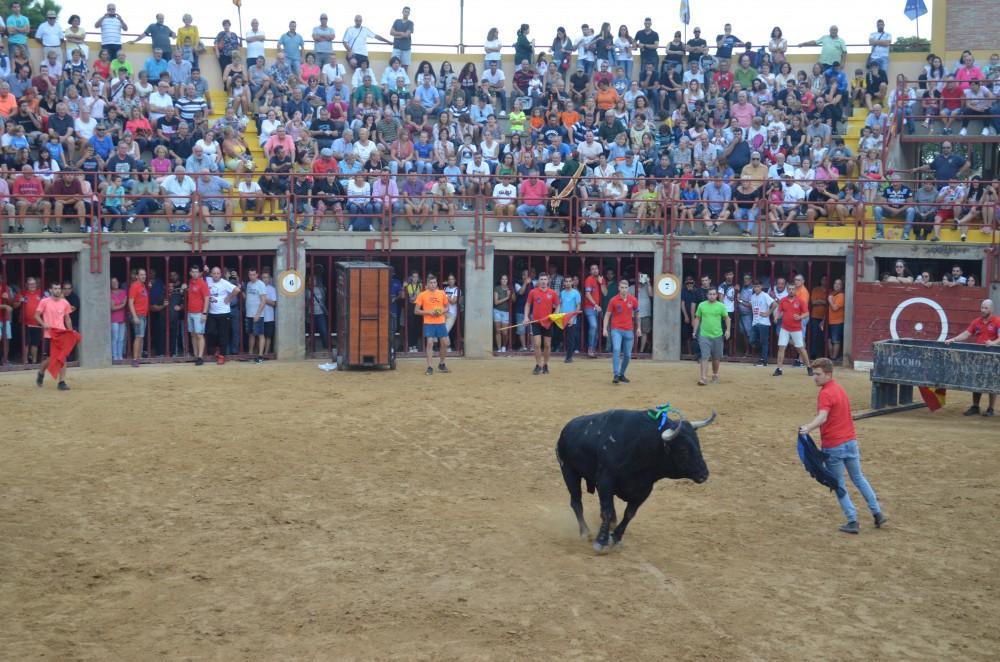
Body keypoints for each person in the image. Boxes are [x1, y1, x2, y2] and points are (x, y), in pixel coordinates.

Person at [799, 358, 887, 534]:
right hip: (850, 442)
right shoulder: (839, 389)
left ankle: (852, 519)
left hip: (834, 446)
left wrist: (807, 428)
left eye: (818, 374)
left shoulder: (825, 393)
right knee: (859, 478)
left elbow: (823, 417)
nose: (814, 378)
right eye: (814, 374)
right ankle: (877, 512)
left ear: (828, 374)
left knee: (838, 483)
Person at [944, 300, 1000, 416]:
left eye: (985, 308)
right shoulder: (976, 322)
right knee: (976, 379)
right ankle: (975, 406)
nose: (983, 310)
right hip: (978, 355)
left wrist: (994, 343)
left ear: (991, 309)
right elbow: (966, 334)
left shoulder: (997, 321)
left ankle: (990, 408)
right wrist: (953, 339)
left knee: (991, 380)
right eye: (982, 307)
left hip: (992, 356)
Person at [33, 281, 74, 391]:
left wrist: (70, 332)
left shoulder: (65, 303)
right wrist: (43, 324)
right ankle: (41, 372)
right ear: (51, 290)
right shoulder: (44, 301)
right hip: (49, 335)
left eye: (58, 288)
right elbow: (36, 315)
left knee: (63, 358)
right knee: (49, 359)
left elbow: (67, 318)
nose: (57, 290)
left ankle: (62, 382)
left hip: (61, 334)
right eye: (55, 288)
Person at [603, 279, 640, 384]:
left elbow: (637, 314)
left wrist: (638, 328)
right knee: (616, 349)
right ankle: (616, 374)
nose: (623, 290)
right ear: (619, 288)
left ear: (628, 288)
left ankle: (621, 374)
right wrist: (605, 328)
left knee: (628, 355)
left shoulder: (633, 300)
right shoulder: (613, 300)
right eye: (622, 288)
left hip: (629, 330)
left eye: (625, 288)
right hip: (616, 329)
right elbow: (607, 315)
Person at [773, 281, 812, 376]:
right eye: (789, 289)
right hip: (785, 328)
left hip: (796, 329)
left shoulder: (800, 301)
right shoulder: (783, 300)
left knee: (801, 349)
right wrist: (776, 316)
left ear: (795, 290)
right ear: (787, 290)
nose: (791, 291)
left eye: (793, 289)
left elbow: (807, 313)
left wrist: (800, 317)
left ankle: (809, 367)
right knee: (781, 347)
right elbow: (779, 311)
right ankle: (779, 368)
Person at [692, 286, 729, 386]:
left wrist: (728, 330)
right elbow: (697, 318)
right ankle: (703, 378)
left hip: (717, 335)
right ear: (707, 295)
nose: (712, 296)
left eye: (713, 294)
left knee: (716, 358)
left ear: (716, 295)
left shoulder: (721, 306)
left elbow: (727, 318)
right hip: (704, 335)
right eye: (710, 294)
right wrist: (695, 330)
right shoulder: (701, 305)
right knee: (705, 356)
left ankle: (715, 374)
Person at [415, 274, 450, 375]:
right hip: (429, 322)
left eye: (434, 282)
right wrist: (428, 312)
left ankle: (442, 363)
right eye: (431, 283)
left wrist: (442, 311)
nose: (433, 284)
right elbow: (416, 311)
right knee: (430, 342)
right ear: (427, 284)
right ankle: (429, 367)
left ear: (437, 283)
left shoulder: (442, 293)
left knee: (444, 342)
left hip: (440, 322)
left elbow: (447, 307)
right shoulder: (422, 295)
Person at [524, 273, 559, 375]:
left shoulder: (552, 293)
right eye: (541, 279)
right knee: (537, 344)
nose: (543, 281)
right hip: (536, 322)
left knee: (547, 345)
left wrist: (555, 314)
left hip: (548, 322)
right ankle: (538, 365)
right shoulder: (533, 292)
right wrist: (526, 317)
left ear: (548, 281)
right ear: (538, 281)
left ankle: (546, 364)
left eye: (545, 279)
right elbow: (528, 304)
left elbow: (557, 305)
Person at [204, 265, 240, 364]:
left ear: (221, 274)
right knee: (210, 332)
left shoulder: (224, 283)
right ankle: (217, 349)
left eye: (218, 273)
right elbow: (203, 276)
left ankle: (222, 355)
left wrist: (229, 298)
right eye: (214, 273)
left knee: (223, 335)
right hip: (212, 313)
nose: (216, 275)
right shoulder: (208, 280)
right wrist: (205, 271)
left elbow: (237, 290)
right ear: (211, 274)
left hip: (224, 313)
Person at [184, 264, 209, 365]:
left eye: (196, 272)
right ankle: (195, 355)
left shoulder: (202, 283)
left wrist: (204, 313)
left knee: (199, 334)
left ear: (199, 273)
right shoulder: (190, 282)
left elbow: (207, 298)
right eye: (193, 272)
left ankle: (200, 357)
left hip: (199, 313)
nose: (194, 274)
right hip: (190, 312)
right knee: (193, 334)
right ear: (190, 273)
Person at [749, 280, 776, 367]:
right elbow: (751, 306)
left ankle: (764, 360)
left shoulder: (765, 295)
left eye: (758, 286)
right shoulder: (752, 296)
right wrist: (740, 301)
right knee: (752, 340)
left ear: (761, 286)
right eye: (754, 286)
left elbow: (774, 304)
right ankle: (762, 358)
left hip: (764, 322)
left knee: (763, 342)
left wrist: (768, 313)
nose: (756, 288)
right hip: (755, 322)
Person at [244, 268, 268, 364]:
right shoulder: (249, 284)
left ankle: (260, 355)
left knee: (260, 334)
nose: (252, 276)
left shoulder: (261, 284)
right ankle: (250, 353)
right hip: (249, 314)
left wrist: (258, 314)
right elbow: (248, 297)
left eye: (254, 274)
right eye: (250, 274)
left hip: (258, 314)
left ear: (257, 274)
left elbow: (264, 300)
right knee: (251, 334)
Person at [127, 268, 149, 367]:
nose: (143, 276)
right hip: (138, 315)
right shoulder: (135, 286)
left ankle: (138, 358)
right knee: (138, 337)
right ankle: (135, 359)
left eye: (144, 274)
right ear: (137, 276)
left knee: (141, 337)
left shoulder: (143, 286)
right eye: (141, 275)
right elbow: (130, 302)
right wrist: (135, 316)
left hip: (143, 315)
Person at [560, 275, 581, 363]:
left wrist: (573, 318)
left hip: (571, 319)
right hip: (562, 318)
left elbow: (578, 307)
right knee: (561, 337)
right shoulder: (562, 293)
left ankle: (569, 357)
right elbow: (560, 305)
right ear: (564, 283)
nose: (568, 283)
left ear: (572, 282)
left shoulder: (576, 293)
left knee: (570, 338)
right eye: (566, 281)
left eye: (569, 281)